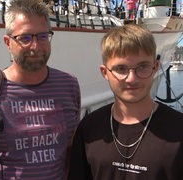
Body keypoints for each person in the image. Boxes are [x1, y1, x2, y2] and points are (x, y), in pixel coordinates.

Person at [0, 0, 81, 179]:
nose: (35, 46)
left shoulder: (68, 86)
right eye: (25, 38)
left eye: (43, 36)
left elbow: (69, 154)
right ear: (8, 42)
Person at [68, 24, 183, 180]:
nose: (132, 78)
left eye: (142, 66)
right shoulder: (89, 129)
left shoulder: (178, 129)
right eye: (121, 69)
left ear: (155, 67)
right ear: (105, 72)